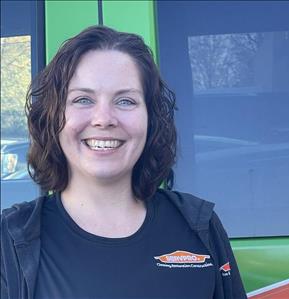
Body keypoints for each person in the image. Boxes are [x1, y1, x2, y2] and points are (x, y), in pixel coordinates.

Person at [1, 25, 247, 299]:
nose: (104, 118)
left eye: (126, 101)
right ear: (53, 117)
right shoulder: (10, 241)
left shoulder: (200, 226)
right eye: (83, 99)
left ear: (151, 118)